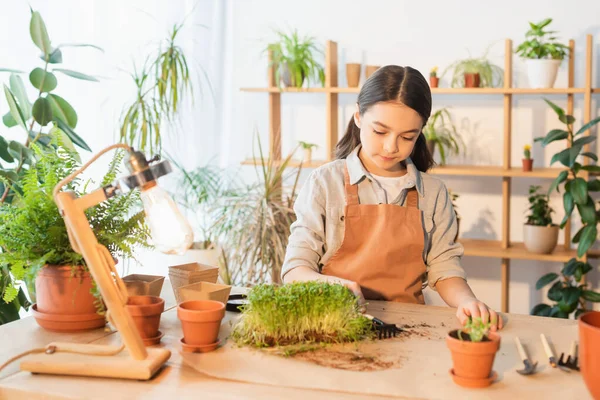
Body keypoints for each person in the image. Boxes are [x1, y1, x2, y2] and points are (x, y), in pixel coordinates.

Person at [281, 65, 502, 331]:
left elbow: (444, 267)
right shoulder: (325, 183)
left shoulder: (432, 193)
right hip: (333, 324)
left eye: (407, 136)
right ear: (358, 117)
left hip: (406, 329)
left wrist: (466, 301)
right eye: (380, 131)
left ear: (420, 132)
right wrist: (333, 286)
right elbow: (295, 270)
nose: (390, 147)